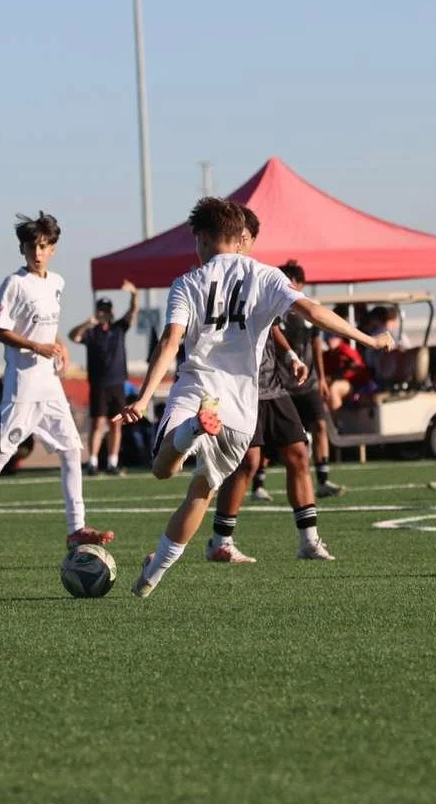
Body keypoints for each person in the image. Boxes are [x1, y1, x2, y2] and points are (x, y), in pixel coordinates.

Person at [115, 197, 394, 599]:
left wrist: (142, 400)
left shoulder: (187, 283)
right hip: (240, 410)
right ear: (240, 237)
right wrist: (369, 338)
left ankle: (189, 431)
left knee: (162, 470)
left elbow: (170, 340)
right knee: (201, 491)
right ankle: (149, 579)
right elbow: (312, 310)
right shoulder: (265, 275)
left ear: (203, 238)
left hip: (197, 391)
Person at [0, 211, 114, 561]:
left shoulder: (55, 282)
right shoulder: (14, 284)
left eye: (42, 246)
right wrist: (37, 346)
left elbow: (47, 324)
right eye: (30, 246)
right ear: (22, 249)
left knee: (72, 449)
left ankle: (76, 529)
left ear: (52, 248)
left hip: (50, 385)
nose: (36, 252)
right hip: (22, 385)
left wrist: (59, 344)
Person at [205, 210, 335, 565]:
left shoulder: (261, 274)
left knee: (297, 452)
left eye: (247, 236)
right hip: (239, 388)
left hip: (272, 386)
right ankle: (220, 540)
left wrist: (291, 353)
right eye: (238, 235)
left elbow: (274, 324)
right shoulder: (216, 276)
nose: (242, 241)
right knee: (246, 462)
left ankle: (308, 540)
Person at [278, 260, 344, 498]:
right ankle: (258, 484)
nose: (285, 285)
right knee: (273, 436)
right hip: (280, 384)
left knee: (320, 425)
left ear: (300, 283)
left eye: (290, 281)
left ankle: (323, 480)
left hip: (309, 382)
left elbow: (317, 345)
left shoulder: (310, 308)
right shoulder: (275, 308)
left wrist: (323, 379)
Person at [68, 281, 138, 476]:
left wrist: (134, 294)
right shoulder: (91, 333)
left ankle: (112, 462)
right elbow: (73, 336)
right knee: (97, 423)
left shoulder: (118, 329)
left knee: (116, 423)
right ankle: (92, 462)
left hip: (117, 384)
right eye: (101, 310)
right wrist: (87, 322)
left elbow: (132, 312)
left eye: (107, 310)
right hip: (98, 384)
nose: (104, 313)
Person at [323, 334, 372, 411]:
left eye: (332, 338)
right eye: (327, 338)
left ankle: (337, 418)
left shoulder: (346, 349)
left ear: (339, 338)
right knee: (321, 387)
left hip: (355, 384)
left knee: (334, 387)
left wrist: (347, 368)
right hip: (340, 381)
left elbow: (360, 368)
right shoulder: (327, 355)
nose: (329, 341)